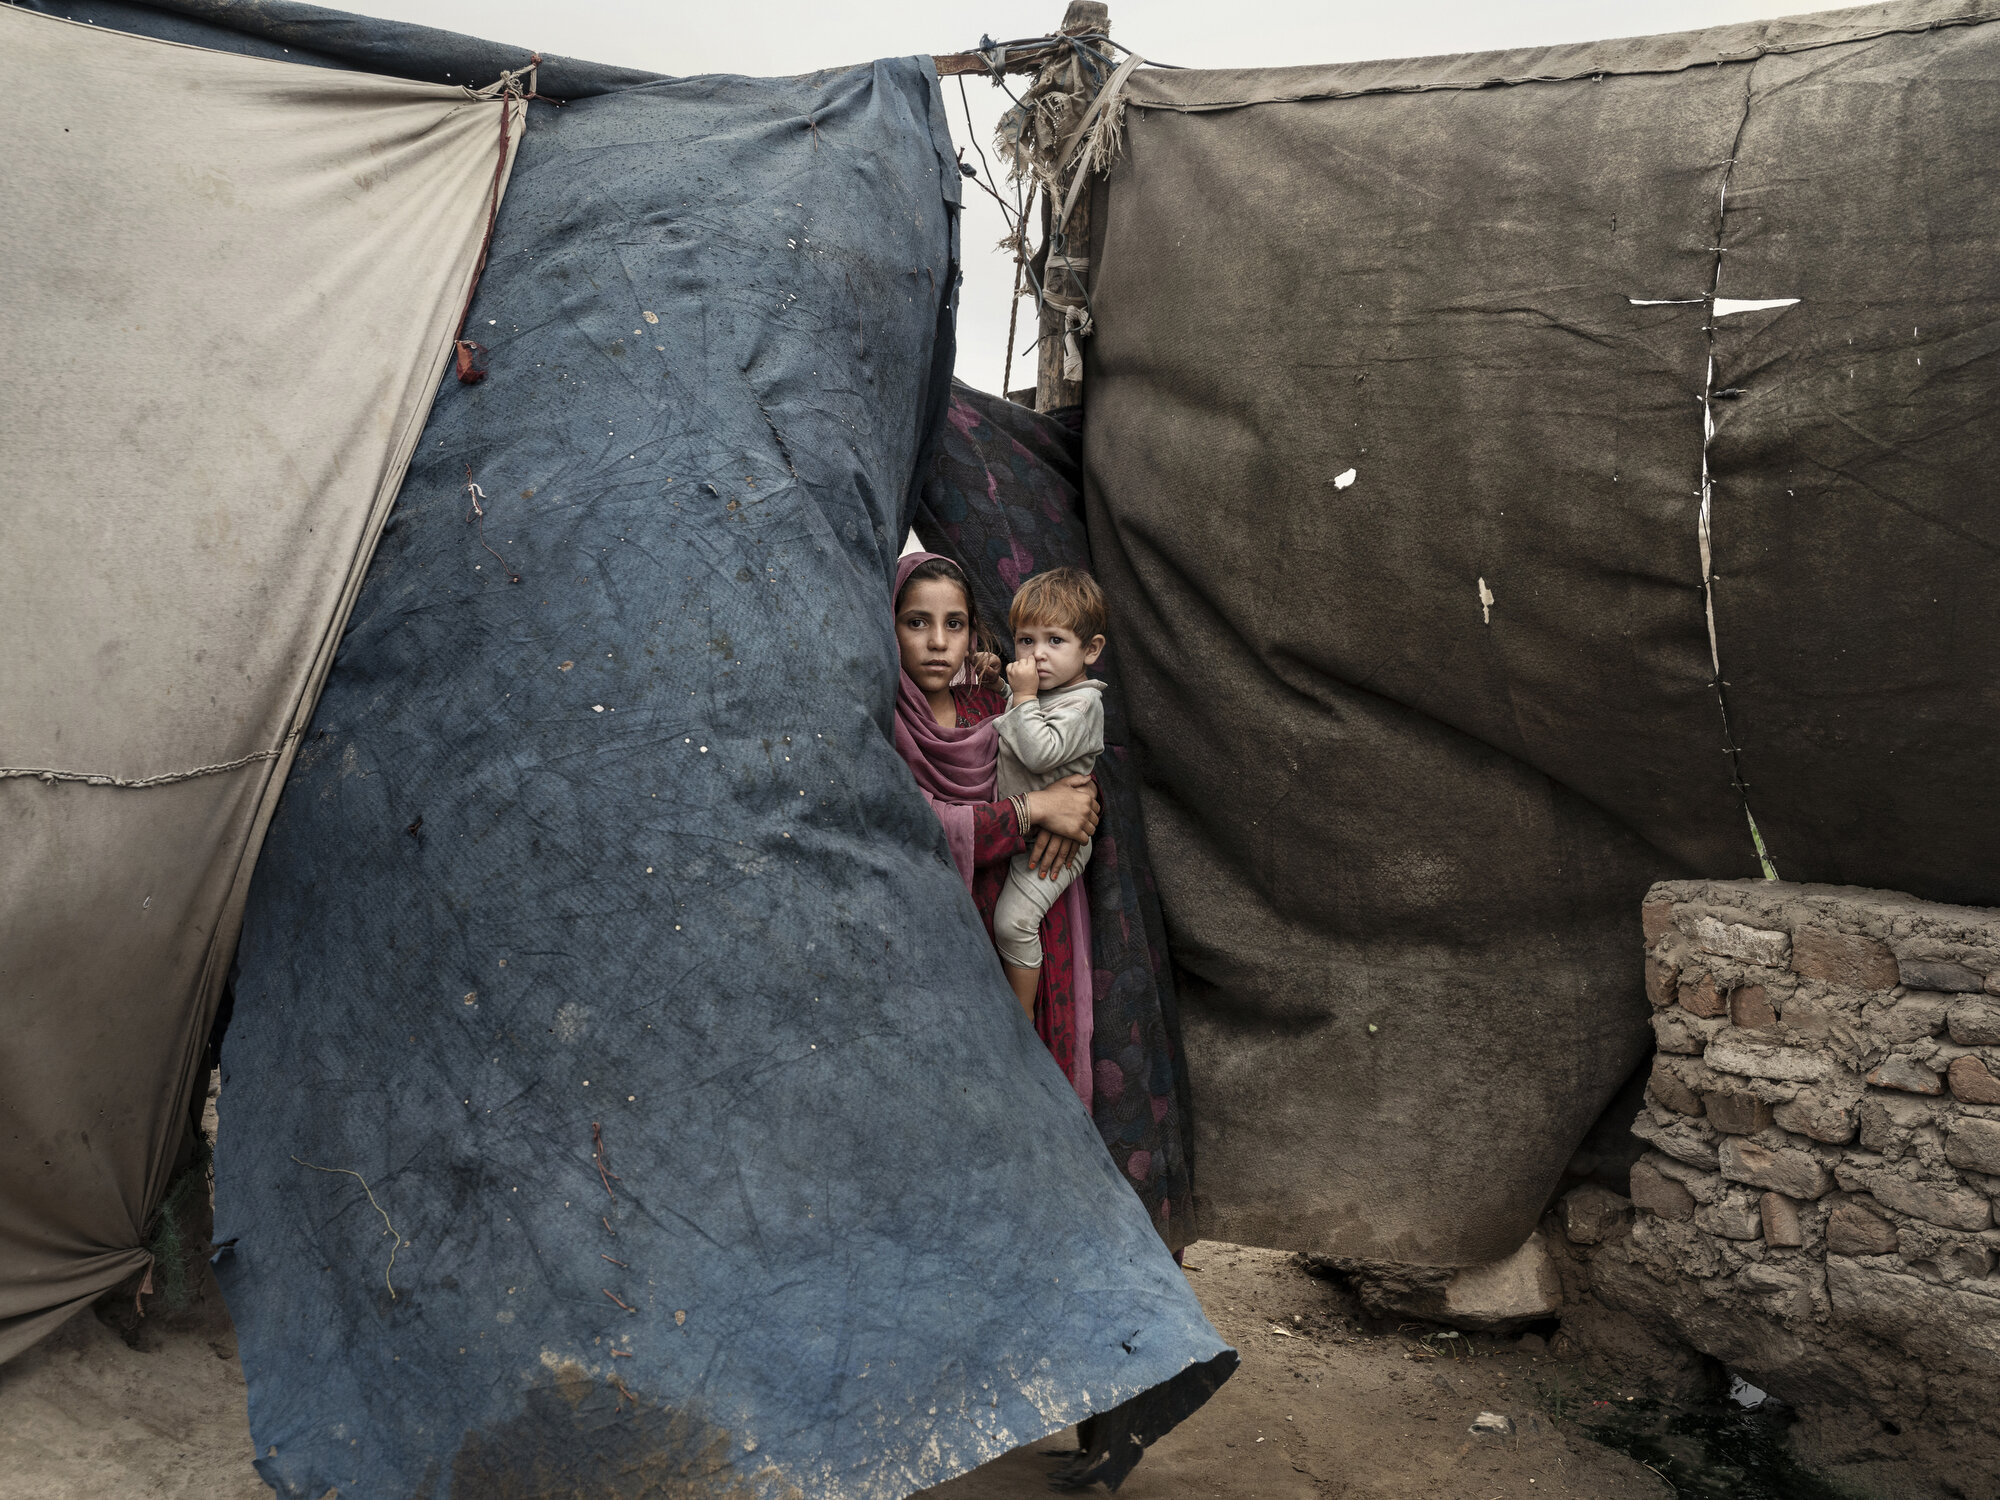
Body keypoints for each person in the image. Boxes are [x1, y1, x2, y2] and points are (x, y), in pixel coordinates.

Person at [891, 551, 1098, 1100]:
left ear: (972, 632)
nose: (938, 642)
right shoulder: (881, 720)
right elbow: (920, 825)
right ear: (887, 626)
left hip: (1026, 911)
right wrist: (1038, 809)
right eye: (917, 623)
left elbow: (1051, 756)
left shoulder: (986, 699)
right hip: (942, 930)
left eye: (953, 624)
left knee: (1033, 1072)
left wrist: (1079, 798)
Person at [992, 569, 1107, 1016]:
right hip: (1023, 827)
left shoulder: (1084, 704)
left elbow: (1039, 752)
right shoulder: (1043, 690)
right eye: (1025, 641)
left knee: (1012, 923)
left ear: (1090, 650)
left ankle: (1019, 1018)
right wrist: (998, 686)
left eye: (1054, 641)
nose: (1037, 655)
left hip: (1053, 845)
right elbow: (1021, 717)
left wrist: (1019, 693)